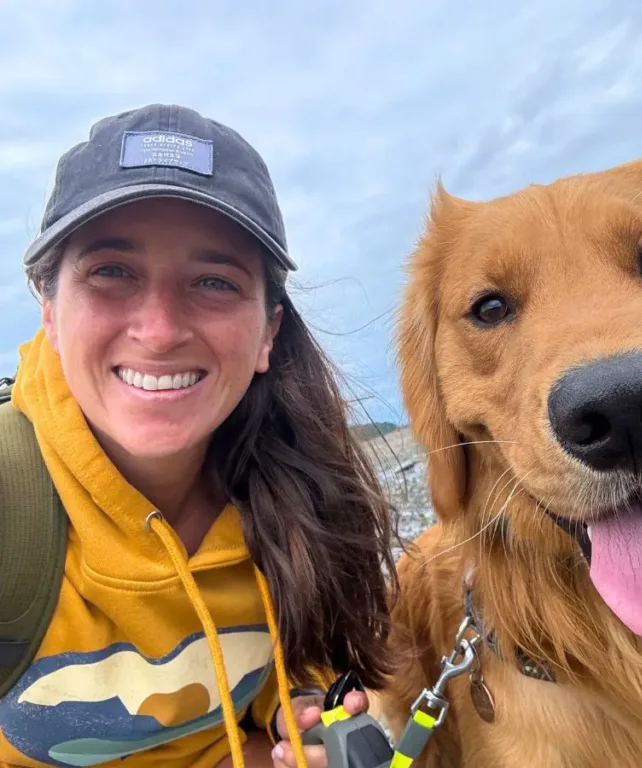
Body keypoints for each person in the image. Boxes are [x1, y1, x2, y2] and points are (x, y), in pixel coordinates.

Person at [0, 104, 397, 768]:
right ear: (50, 311)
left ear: (268, 332)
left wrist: (292, 712)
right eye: (112, 272)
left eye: (214, 282)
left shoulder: (301, 488)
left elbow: (287, 663)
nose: (159, 331)